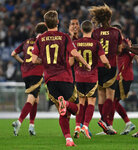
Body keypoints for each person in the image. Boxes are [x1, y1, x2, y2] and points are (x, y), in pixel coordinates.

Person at [32, 10, 91, 146]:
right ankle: (66, 104)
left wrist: (46, 61)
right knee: (76, 109)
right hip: (65, 78)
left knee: (62, 111)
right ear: (58, 22)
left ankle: (68, 139)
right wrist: (86, 64)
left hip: (50, 80)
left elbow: (34, 59)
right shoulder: (64, 37)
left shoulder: (40, 39)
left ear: (45, 23)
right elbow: (75, 54)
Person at [106, 24, 138, 135]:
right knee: (114, 101)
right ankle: (125, 124)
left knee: (113, 101)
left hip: (124, 78)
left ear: (120, 31)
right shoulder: (117, 43)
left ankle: (110, 126)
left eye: (115, 31)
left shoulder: (124, 44)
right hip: (120, 77)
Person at [73, 20, 110, 139]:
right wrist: (108, 65)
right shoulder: (96, 43)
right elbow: (104, 60)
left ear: (81, 30)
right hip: (91, 77)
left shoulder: (76, 43)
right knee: (91, 102)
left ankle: (78, 125)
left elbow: (71, 61)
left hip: (78, 76)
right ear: (93, 30)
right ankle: (86, 126)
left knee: (81, 102)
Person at [89, 4, 122, 134]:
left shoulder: (95, 33)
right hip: (111, 66)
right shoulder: (116, 32)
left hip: (98, 67)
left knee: (101, 96)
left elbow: (92, 50)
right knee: (110, 96)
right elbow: (119, 50)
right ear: (109, 18)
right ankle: (104, 120)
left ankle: (106, 126)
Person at [11, 22, 48, 136]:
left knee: (35, 100)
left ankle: (31, 126)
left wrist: (23, 62)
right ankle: (19, 121)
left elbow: (13, 54)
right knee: (31, 99)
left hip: (25, 73)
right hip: (36, 73)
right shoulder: (42, 42)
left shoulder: (26, 42)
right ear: (45, 32)